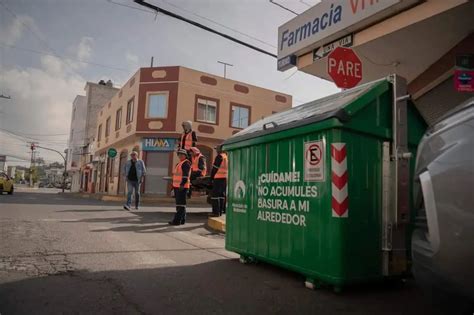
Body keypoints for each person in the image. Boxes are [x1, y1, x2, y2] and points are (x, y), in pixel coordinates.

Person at [169, 149, 191, 225]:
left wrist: (182, 184)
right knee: (180, 204)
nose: (180, 155)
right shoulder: (179, 163)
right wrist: (173, 186)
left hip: (182, 187)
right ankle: (182, 220)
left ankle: (176, 221)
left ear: (185, 155)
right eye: (179, 154)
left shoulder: (186, 163)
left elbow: (185, 175)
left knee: (181, 204)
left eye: (182, 154)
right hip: (177, 186)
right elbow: (176, 176)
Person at [210, 144, 227, 217]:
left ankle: (215, 212)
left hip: (218, 178)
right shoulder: (226, 157)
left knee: (215, 195)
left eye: (217, 149)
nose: (216, 150)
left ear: (220, 149)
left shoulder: (219, 156)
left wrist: (211, 178)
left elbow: (215, 168)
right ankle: (220, 212)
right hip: (224, 178)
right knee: (221, 195)